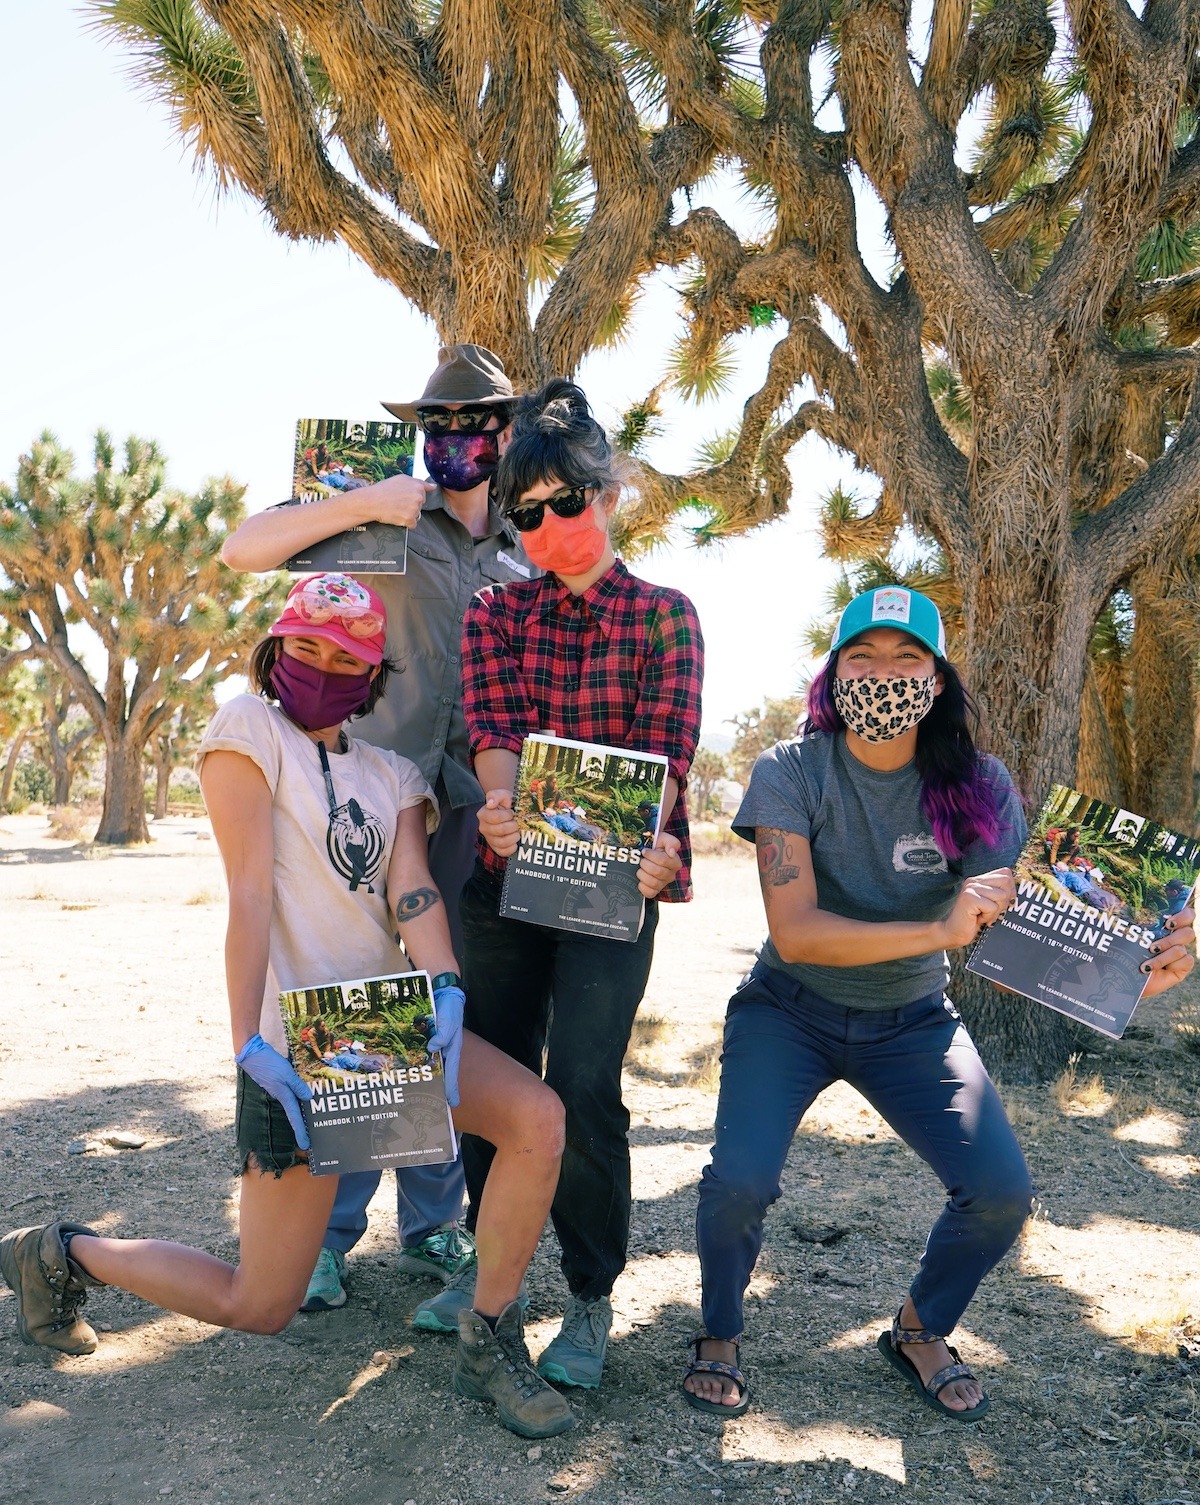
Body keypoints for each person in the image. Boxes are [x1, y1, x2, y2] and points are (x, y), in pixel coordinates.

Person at [0, 573, 572, 1439]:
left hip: (386, 1028)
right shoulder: (247, 730)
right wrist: (247, 1043)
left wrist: (446, 982)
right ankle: (60, 1250)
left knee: (536, 1116)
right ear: (275, 647)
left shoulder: (395, 774)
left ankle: (487, 1336)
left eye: (346, 654)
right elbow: (249, 893)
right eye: (305, 645)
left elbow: (411, 889)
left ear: (374, 672)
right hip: (299, 1045)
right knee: (259, 1302)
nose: (322, 664)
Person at [686, 585, 1196, 1422]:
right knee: (738, 1180)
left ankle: (920, 1329)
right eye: (863, 657)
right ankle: (719, 1331)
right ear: (833, 673)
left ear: (936, 679)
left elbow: (1034, 922)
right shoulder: (790, 770)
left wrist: (1147, 958)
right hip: (789, 1007)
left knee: (1000, 1191)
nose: (883, 674)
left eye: (907, 658)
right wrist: (937, 926)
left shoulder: (982, 785)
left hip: (914, 1021)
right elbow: (800, 930)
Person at [221, 345, 535, 1321]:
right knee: (357, 994)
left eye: (474, 423)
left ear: (506, 435)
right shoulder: (377, 508)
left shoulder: (526, 551)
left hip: (476, 810)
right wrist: (362, 505)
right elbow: (245, 547)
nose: (456, 440)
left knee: (452, 998)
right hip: (366, 798)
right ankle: (328, 1231)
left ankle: (434, 1215)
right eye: (439, 422)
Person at [458, 379, 704, 1390]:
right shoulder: (493, 612)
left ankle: (592, 1293)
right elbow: (494, 735)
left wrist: (659, 854)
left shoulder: (666, 619)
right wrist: (501, 809)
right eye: (528, 513)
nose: (551, 526)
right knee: (498, 1081)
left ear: (610, 494)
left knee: (587, 1086)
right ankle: (494, 1279)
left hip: (612, 897)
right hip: (508, 884)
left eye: (569, 501)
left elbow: (666, 762)